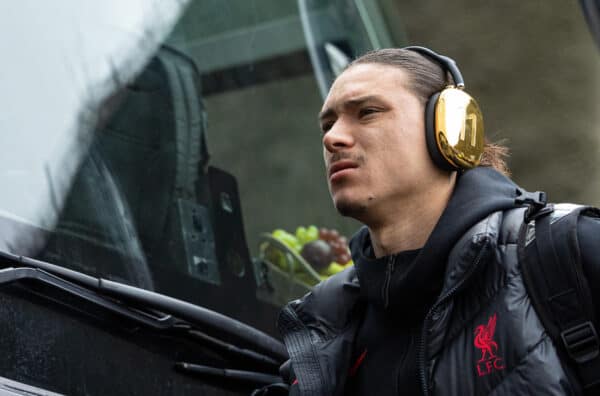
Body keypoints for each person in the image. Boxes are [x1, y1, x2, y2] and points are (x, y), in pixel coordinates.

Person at [272, 47, 600, 395]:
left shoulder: (570, 249)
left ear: (452, 125)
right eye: (328, 123)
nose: (332, 137)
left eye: (367, 112)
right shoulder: (323, 331)